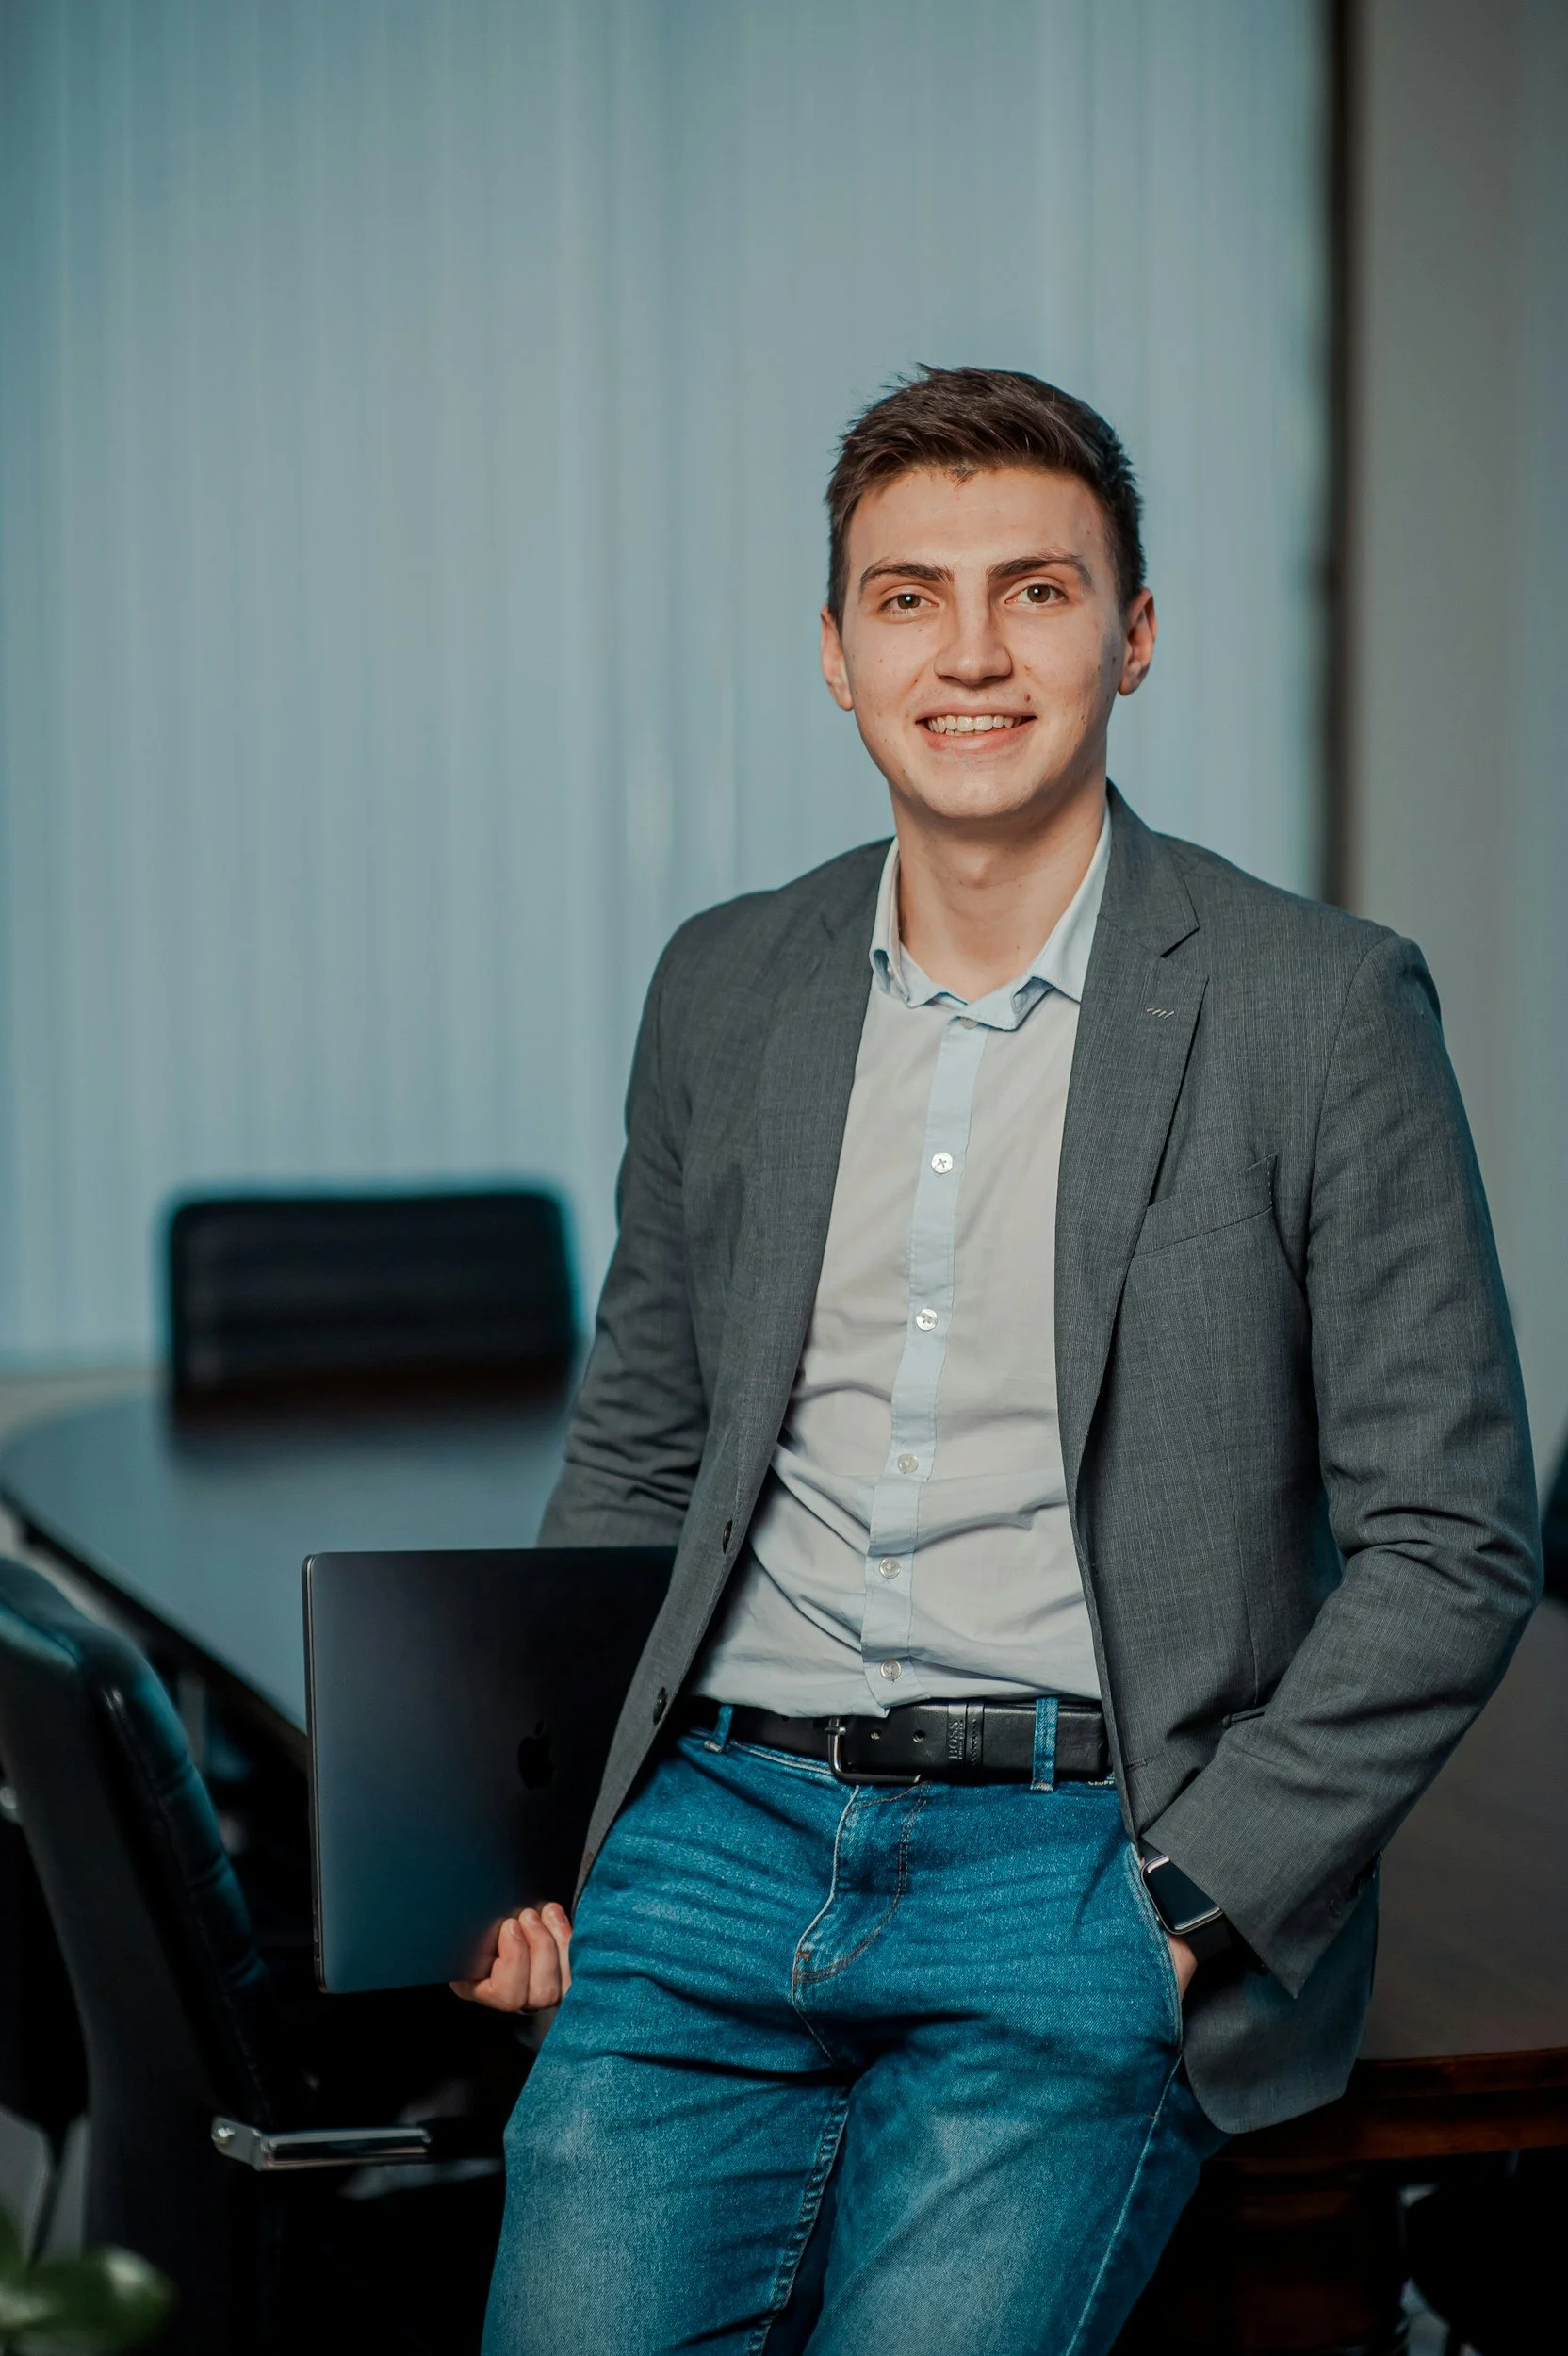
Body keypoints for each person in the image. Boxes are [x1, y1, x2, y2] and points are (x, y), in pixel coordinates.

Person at [462, 367, 1541, 2353]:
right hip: (712, 1837)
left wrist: (1190, 1905)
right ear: (835, 650)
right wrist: (534, 1836)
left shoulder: (1319, 1008)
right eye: (908, 598)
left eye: (1034, 591)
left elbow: (1452, 1539)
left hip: (1082, 1862)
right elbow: (640, 1445)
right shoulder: (724, 983)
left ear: (1132, 634)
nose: (969, 653)